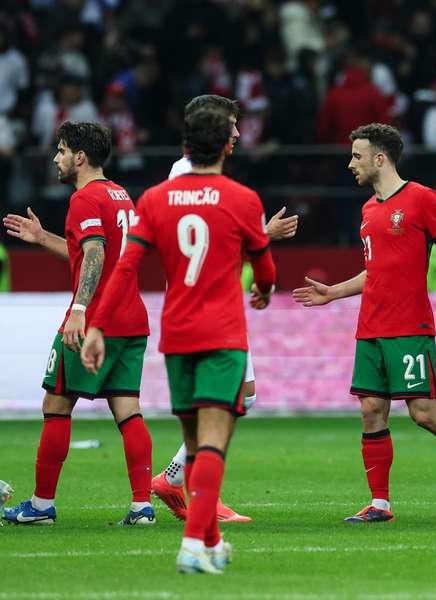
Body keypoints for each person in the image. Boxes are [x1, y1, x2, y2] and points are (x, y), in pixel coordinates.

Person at [81, 107, 277, 573]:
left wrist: (95, 325)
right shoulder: (244, 199)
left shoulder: (154, 199)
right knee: (213, 441)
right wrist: (265, 290)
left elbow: (126, 267)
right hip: (224, 335)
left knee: (192, 441)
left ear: (185, 146)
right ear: (228, 145)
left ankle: (210, 541)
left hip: (178, 334)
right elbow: (266, 271)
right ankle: (193, 543)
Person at [293, 123, 436, 523]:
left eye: (357, 156)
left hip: (408, 326)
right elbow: (376, 270)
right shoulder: (368, 210)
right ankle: (379, 504)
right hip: (371, 327)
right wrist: (333, 292)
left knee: (423, 412)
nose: (351, 164)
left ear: (379, 158)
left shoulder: (421, 198)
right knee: (371, 411)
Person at [152, 94, 298, 524]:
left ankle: (175, 478)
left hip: (212, 301)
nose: (237, 134)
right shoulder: (188, 174)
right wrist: (262, 234)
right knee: (221, 400)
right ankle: (198, 499)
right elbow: (208, 241)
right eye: (231, 125)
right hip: (206, 307)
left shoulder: (191, 175)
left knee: (243, 396)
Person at [2, 121, 154, 526]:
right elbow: (96, 249)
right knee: (128, 411)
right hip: (131, 319)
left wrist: (80, 310)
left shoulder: (84, 199)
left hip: (97, 319)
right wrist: (44, 238)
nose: (56, 157)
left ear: (80, 157)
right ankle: (142, 506)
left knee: (56, 405)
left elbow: (95, 254)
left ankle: (39, 506)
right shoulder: (121, 196)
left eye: (61, 150)